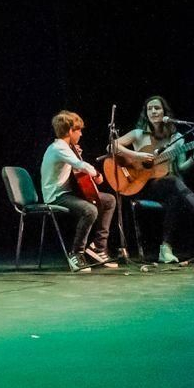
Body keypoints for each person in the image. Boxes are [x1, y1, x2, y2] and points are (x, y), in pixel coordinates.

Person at [113, 96, 194, 263]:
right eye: (150, 109)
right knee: (173, 183)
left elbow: (182, 167)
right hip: (141, 185)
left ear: (165, 112)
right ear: (146, 113)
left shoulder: (176, 137)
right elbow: (111, 145)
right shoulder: (138, 134)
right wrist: (137, 155)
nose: (154, 111)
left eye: (157, 108)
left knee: (175, 192)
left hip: (166, 186)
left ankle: (165, 248)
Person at [41, 111, 117, 271]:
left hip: (68, 193)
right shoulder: (58, 148)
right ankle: (76, 253)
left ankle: (98, 247)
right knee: (90, 210)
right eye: (79, 130)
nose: (81, 134)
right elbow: (80, 165)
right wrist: (97, 173)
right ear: (70, 131)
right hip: (57, 196)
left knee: (109, 200)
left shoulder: (66, 148)